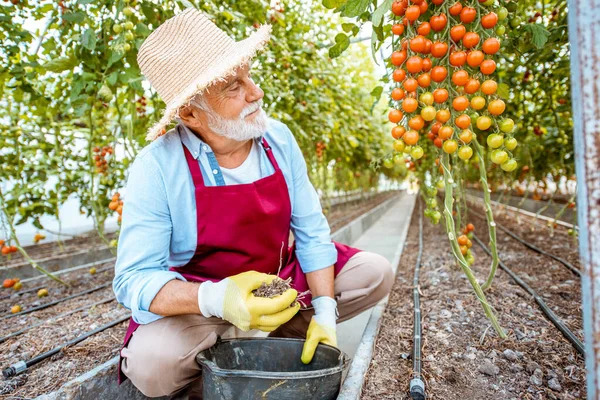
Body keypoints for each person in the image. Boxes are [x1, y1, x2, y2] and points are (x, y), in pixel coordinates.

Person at [112, 7, 394, 398]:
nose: (255, 92)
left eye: (249, 74)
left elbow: (312, 232)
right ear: (191, 113)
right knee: (153, 364)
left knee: (374, 273)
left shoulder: (278, 139)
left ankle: (267, 340)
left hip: (280, 285)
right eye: (232, 86)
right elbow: (133, 279)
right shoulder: (157, 167)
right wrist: (219, 299)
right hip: (205, 303)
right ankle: (234, 364)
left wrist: (326, 314)